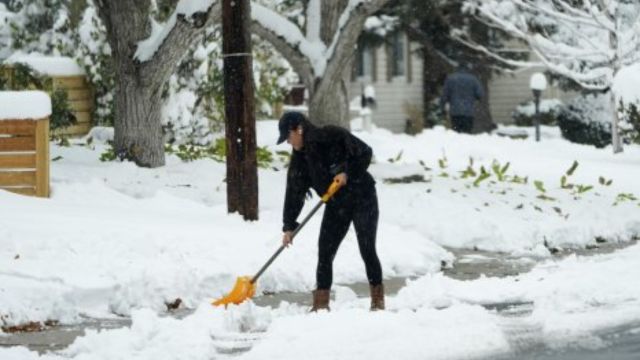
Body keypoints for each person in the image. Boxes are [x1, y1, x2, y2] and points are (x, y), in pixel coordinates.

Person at [277, 111, 384, 312]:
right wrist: (288, 225)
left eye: (288, 137)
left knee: (367, 248)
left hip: (363, 197)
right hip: (337, 204)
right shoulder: (300, 159)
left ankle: (377, 302)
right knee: (325, 251)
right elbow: (294, 192)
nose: (288, 143)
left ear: (299, 129)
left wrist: (347, 172)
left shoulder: (332, 135)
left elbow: (365, 152)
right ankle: (321, 305)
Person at [440, 63, 484, 134]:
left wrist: (442, 108)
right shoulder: (473, 79)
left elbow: (444, 95)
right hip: (468, 112)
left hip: (455, 111)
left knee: (456, 133)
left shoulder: (451, 79)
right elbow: (480, 94)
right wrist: (475, 99)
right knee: (467, 133)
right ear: (468, 69)